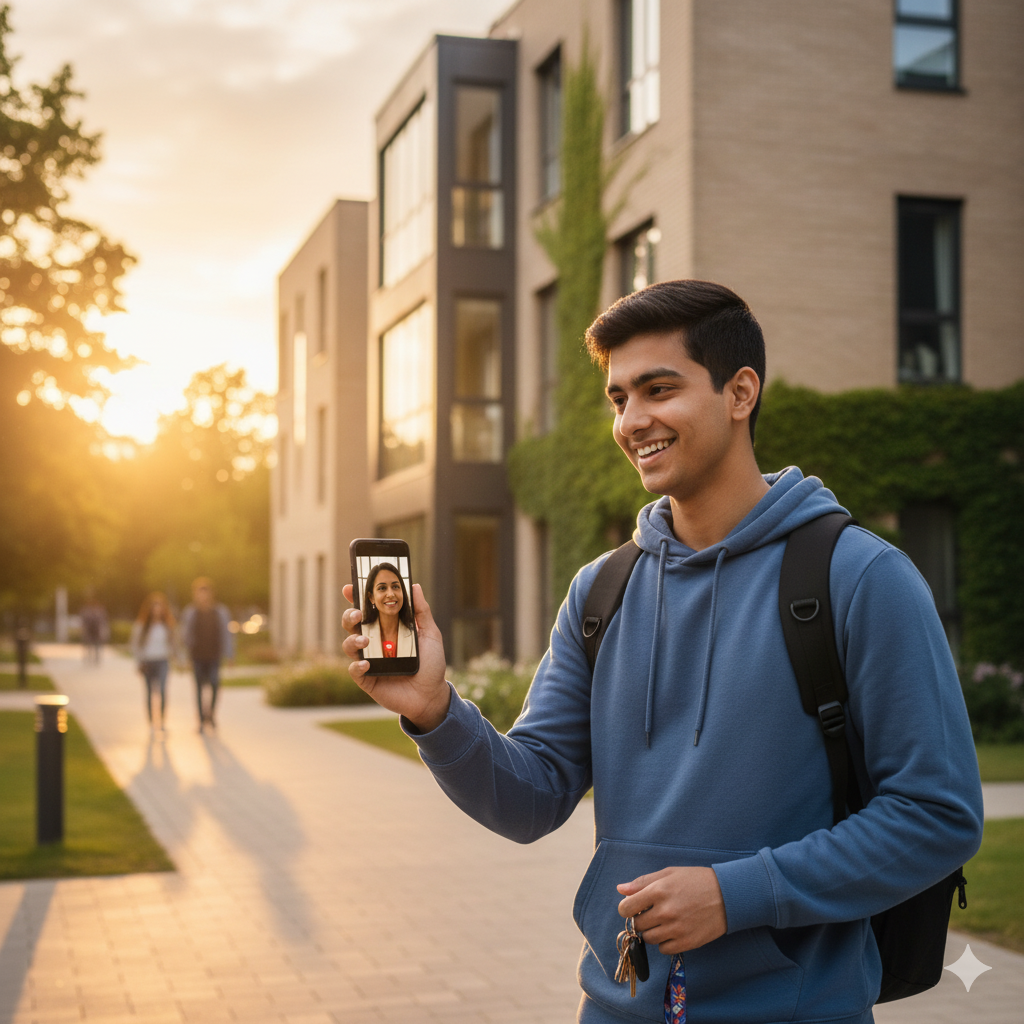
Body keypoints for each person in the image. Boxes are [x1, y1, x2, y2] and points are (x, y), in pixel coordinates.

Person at [342, 280, 983, 1024]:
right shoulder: (600, 592)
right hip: (616, 1006)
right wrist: (434, 711)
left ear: (740, 392)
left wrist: (735, 894)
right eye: (619, 398)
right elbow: (532, 796)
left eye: (658, 389)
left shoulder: (860, 578)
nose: (632, 421)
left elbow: (937, 815)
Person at [180, 577, 234, 731]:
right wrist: (185, 658)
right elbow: (185, 636)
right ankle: (201, 720)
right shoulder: (191, 613)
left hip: (214, 656)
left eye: (205, 593)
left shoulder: (220, 612)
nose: (203, 596)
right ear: (195, 595)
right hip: (197, 656)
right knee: (198, 689)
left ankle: (211, 714)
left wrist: (230, 655)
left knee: (215, 684)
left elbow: (227, 634)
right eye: (199, 593)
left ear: (211, 594)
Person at [130, 592, 177, 733]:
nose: (157, 609)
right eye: (154, 606)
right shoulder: (142, 626)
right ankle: (151, 723)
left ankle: (161, 722)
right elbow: (135, 645)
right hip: (148, 662)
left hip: (163, 661)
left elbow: (174, 643)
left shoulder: (167, 625)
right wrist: (138, 661)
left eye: (159, 606)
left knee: (162, 691)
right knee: (149, 692)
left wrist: (177, 658)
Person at [360, 562, 416, 659]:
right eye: (382, 588)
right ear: (371, 597)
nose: (390, 594)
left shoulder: (418, 633)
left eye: (395, 587)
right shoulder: (361, 634)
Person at [79, 592, 108, 665]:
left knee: (97, 645)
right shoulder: (86, 611)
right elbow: (83, 621)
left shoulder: (99, 611)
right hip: (89, 629)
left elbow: (103, 621)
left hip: (96, 630)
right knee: (88, 644)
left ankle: (96, 658)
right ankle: (88, 657)